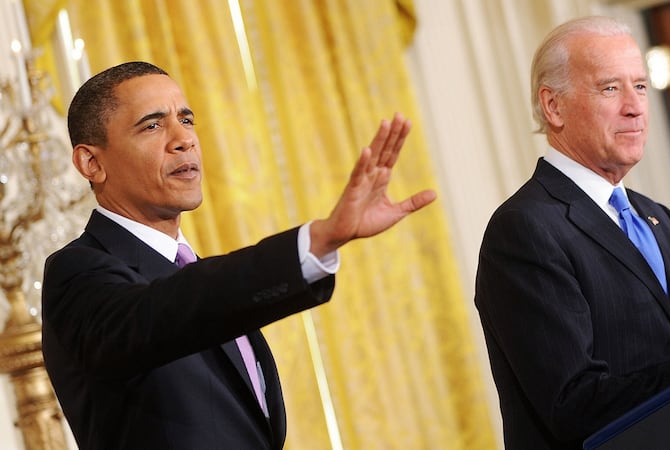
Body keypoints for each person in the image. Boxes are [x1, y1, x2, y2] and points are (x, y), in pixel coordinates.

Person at [41, 61, 436, 449]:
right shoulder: (78, 271)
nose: (184, 139)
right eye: (153, 124)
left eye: (187, 119)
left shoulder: (193, 272)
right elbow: (171, 309)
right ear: (91, 162)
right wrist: (316, 240)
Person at [474, 16, 670, 449]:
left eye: (640, 86)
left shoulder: (656, 217)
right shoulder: (525, 229)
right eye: (610, 88)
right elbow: (575, 403)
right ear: (554, 106)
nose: (636, 106)